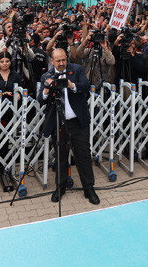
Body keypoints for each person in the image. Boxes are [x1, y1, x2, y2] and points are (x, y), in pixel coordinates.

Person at [38, 49, 100, 205]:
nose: (61, 63)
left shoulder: (76, 69)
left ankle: (89, 188)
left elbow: (85, 86)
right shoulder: (46, 76)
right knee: (61, 157)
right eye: (58, 61)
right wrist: (47, 88)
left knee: (83, 155)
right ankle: (60, 187)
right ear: (52, 61)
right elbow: (41, 99)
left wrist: (71, 85)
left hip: (78, 122)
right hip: (59, 123)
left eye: (63, 60)